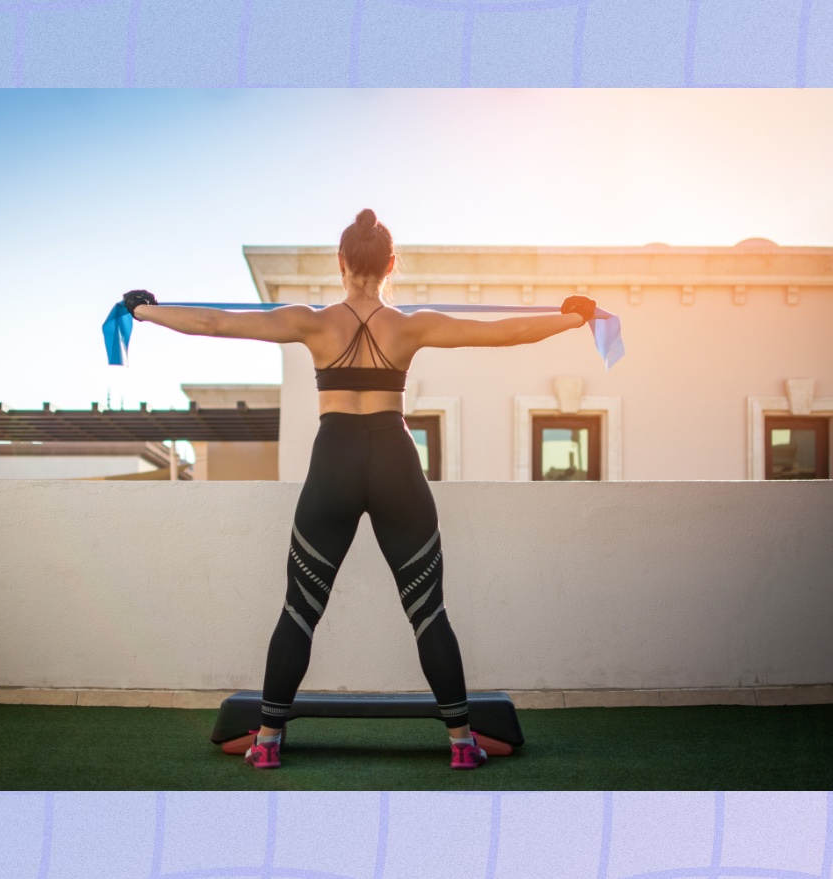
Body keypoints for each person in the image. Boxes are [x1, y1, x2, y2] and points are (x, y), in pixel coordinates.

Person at [124, 209, 596, 770]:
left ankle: (268, 742)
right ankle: (463, 743)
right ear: (390, 265)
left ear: (342, 263)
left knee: (299, 611)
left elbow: (216, 324)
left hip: (335, 462)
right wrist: (572, 319)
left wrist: (144, 310)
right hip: (396, 460)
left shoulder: (312, 322)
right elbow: (503, 334)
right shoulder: (410, 326)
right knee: (429, 613)